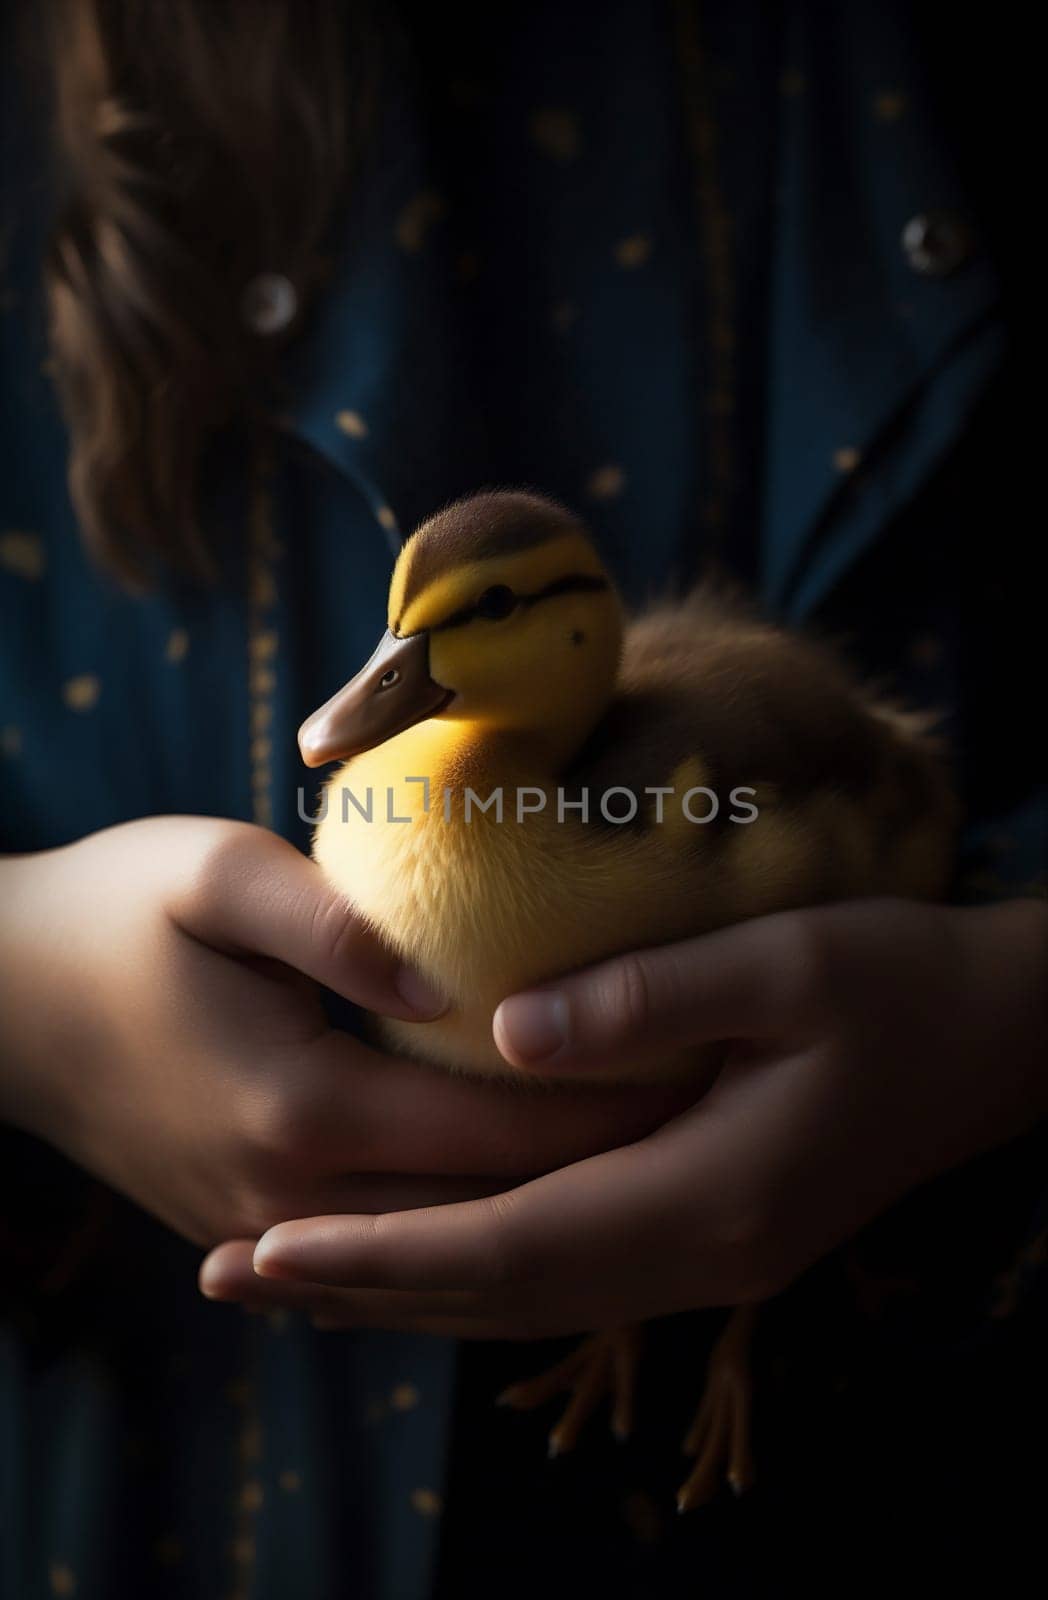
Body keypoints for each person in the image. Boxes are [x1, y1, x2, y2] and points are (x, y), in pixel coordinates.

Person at [1, 3, 1043, 1597]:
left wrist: (1000, 1016)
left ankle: (716, 1333)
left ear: (574, 633)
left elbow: (888, 809)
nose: (376, 698)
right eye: (405, 642)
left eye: (457, 636)